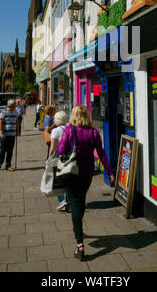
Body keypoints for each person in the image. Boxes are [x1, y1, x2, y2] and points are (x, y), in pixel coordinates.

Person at [56, 105, 114, 262]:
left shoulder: (69, 131)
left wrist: (62, 142)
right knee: (80, 201)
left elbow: (60, 151)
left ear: (74, 116)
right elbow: (101, 153)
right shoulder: (94, 132)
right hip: (87, 173)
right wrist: (109, 172)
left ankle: (79, 244)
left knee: (75, 203)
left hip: (72, 172)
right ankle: (79, 229)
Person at [49, 110, 70, 212]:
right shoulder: (70, 129)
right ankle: (69, 202)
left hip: (59, 158)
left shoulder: (55, 131)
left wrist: (49, 158)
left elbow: (52, 148)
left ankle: (62, 201)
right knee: (69, 180)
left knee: (59, 181)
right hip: (69, 158)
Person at [0, 99, 19, 172]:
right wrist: (1, 132)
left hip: (12, 134)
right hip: (5, 135)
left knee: (10, 150)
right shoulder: (3, 112)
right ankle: (0, 163)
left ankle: (8, 165)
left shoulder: (15, 112)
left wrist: (17, 131)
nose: (16, 106)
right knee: (3, 150)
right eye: (15, 105)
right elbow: (0, 123)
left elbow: (16, 121)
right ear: (11, 105)